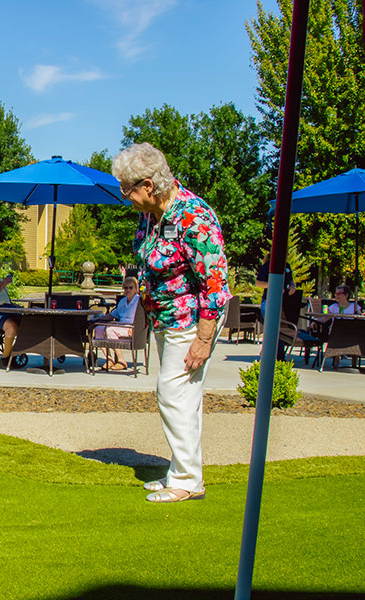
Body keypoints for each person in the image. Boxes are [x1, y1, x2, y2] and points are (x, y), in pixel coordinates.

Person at [112, 143, 231, 503]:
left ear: (148, 185)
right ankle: (183, 472)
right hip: (166, 318)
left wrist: (204, 339)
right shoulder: (151, 215)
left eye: (127, 189)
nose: (124, 197)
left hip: (192, 319)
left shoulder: (194, 217)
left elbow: (215, 283)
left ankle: (186, 481)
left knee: (172, 394)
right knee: (183, 397)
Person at [90, 276, 140, 370]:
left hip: (132, 328)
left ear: (136, 289)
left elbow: (144, 317)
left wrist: (136, 328)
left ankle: (121, 360)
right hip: (121, 326)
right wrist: (95, 320)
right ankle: (109, 359)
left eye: (131, 288)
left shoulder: (139, 301)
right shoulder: (122, 302)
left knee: (110, 330)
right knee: (98, 329)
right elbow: (112, 315)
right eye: (126, 288)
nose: (128, 290)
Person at [256, 252, 296, 360]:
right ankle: (269, 353)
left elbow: (290, 280)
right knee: (271, 327)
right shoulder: (268, 266)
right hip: (269, 300)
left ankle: (278, 354)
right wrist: (273, 285)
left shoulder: (287, 266)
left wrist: (292, 286)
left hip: (283, 302)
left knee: (281, 328)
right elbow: (258, 283)